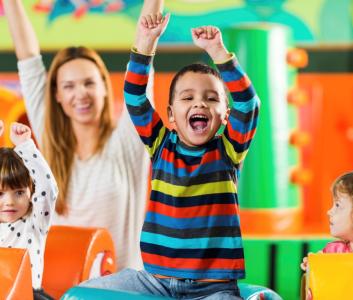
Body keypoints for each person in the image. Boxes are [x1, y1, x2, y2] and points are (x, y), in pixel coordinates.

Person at [81, 10, 282, 300]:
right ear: (172, 115)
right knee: (83, 293)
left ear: (225, 115)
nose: (199, 102)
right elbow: (135, 94)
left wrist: (218, 51)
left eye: (211, 98)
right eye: (188, 97)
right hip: (155, 281)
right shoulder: (160, 143)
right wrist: (146, 43)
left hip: (213, 287)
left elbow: (248, 102)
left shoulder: (228, 150)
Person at [3, 0, 163, 270]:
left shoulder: (127, 140)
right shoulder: (51, 142)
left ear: (104, 86)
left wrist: (150, 28)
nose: (81, 94)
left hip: (122, 291)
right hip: (62, 291)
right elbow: (28, 58)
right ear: (57, 96)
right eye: (69, 86)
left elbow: (142, 65)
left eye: (89, 82)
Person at [0, 120, 58, 300]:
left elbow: (47, 188)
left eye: (18, 192)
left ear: (30, 192)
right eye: (0, 194)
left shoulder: (35, 221)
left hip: (28, 295)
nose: (9, 202)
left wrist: (25, 146)